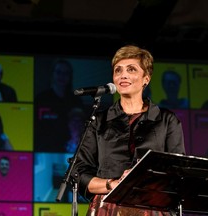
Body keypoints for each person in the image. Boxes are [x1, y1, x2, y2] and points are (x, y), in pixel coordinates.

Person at [74, 45, 185, 215]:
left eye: (131, 69)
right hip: (108, 207)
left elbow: (178, 172)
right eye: (118, 70)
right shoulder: (98, 121)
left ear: (146, 79)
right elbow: (80, 175)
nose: (123, 75)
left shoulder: (166, 120)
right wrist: (113, 184)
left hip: (153, 207)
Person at [34, 59, 84, 152]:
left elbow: (79, 126)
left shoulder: (76, 100)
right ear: (53, 74)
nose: (62, 76)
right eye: (59, 72)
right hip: (45, 147)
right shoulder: (41, 98)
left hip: (69, 148)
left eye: (66, 73)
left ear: (70, 76)